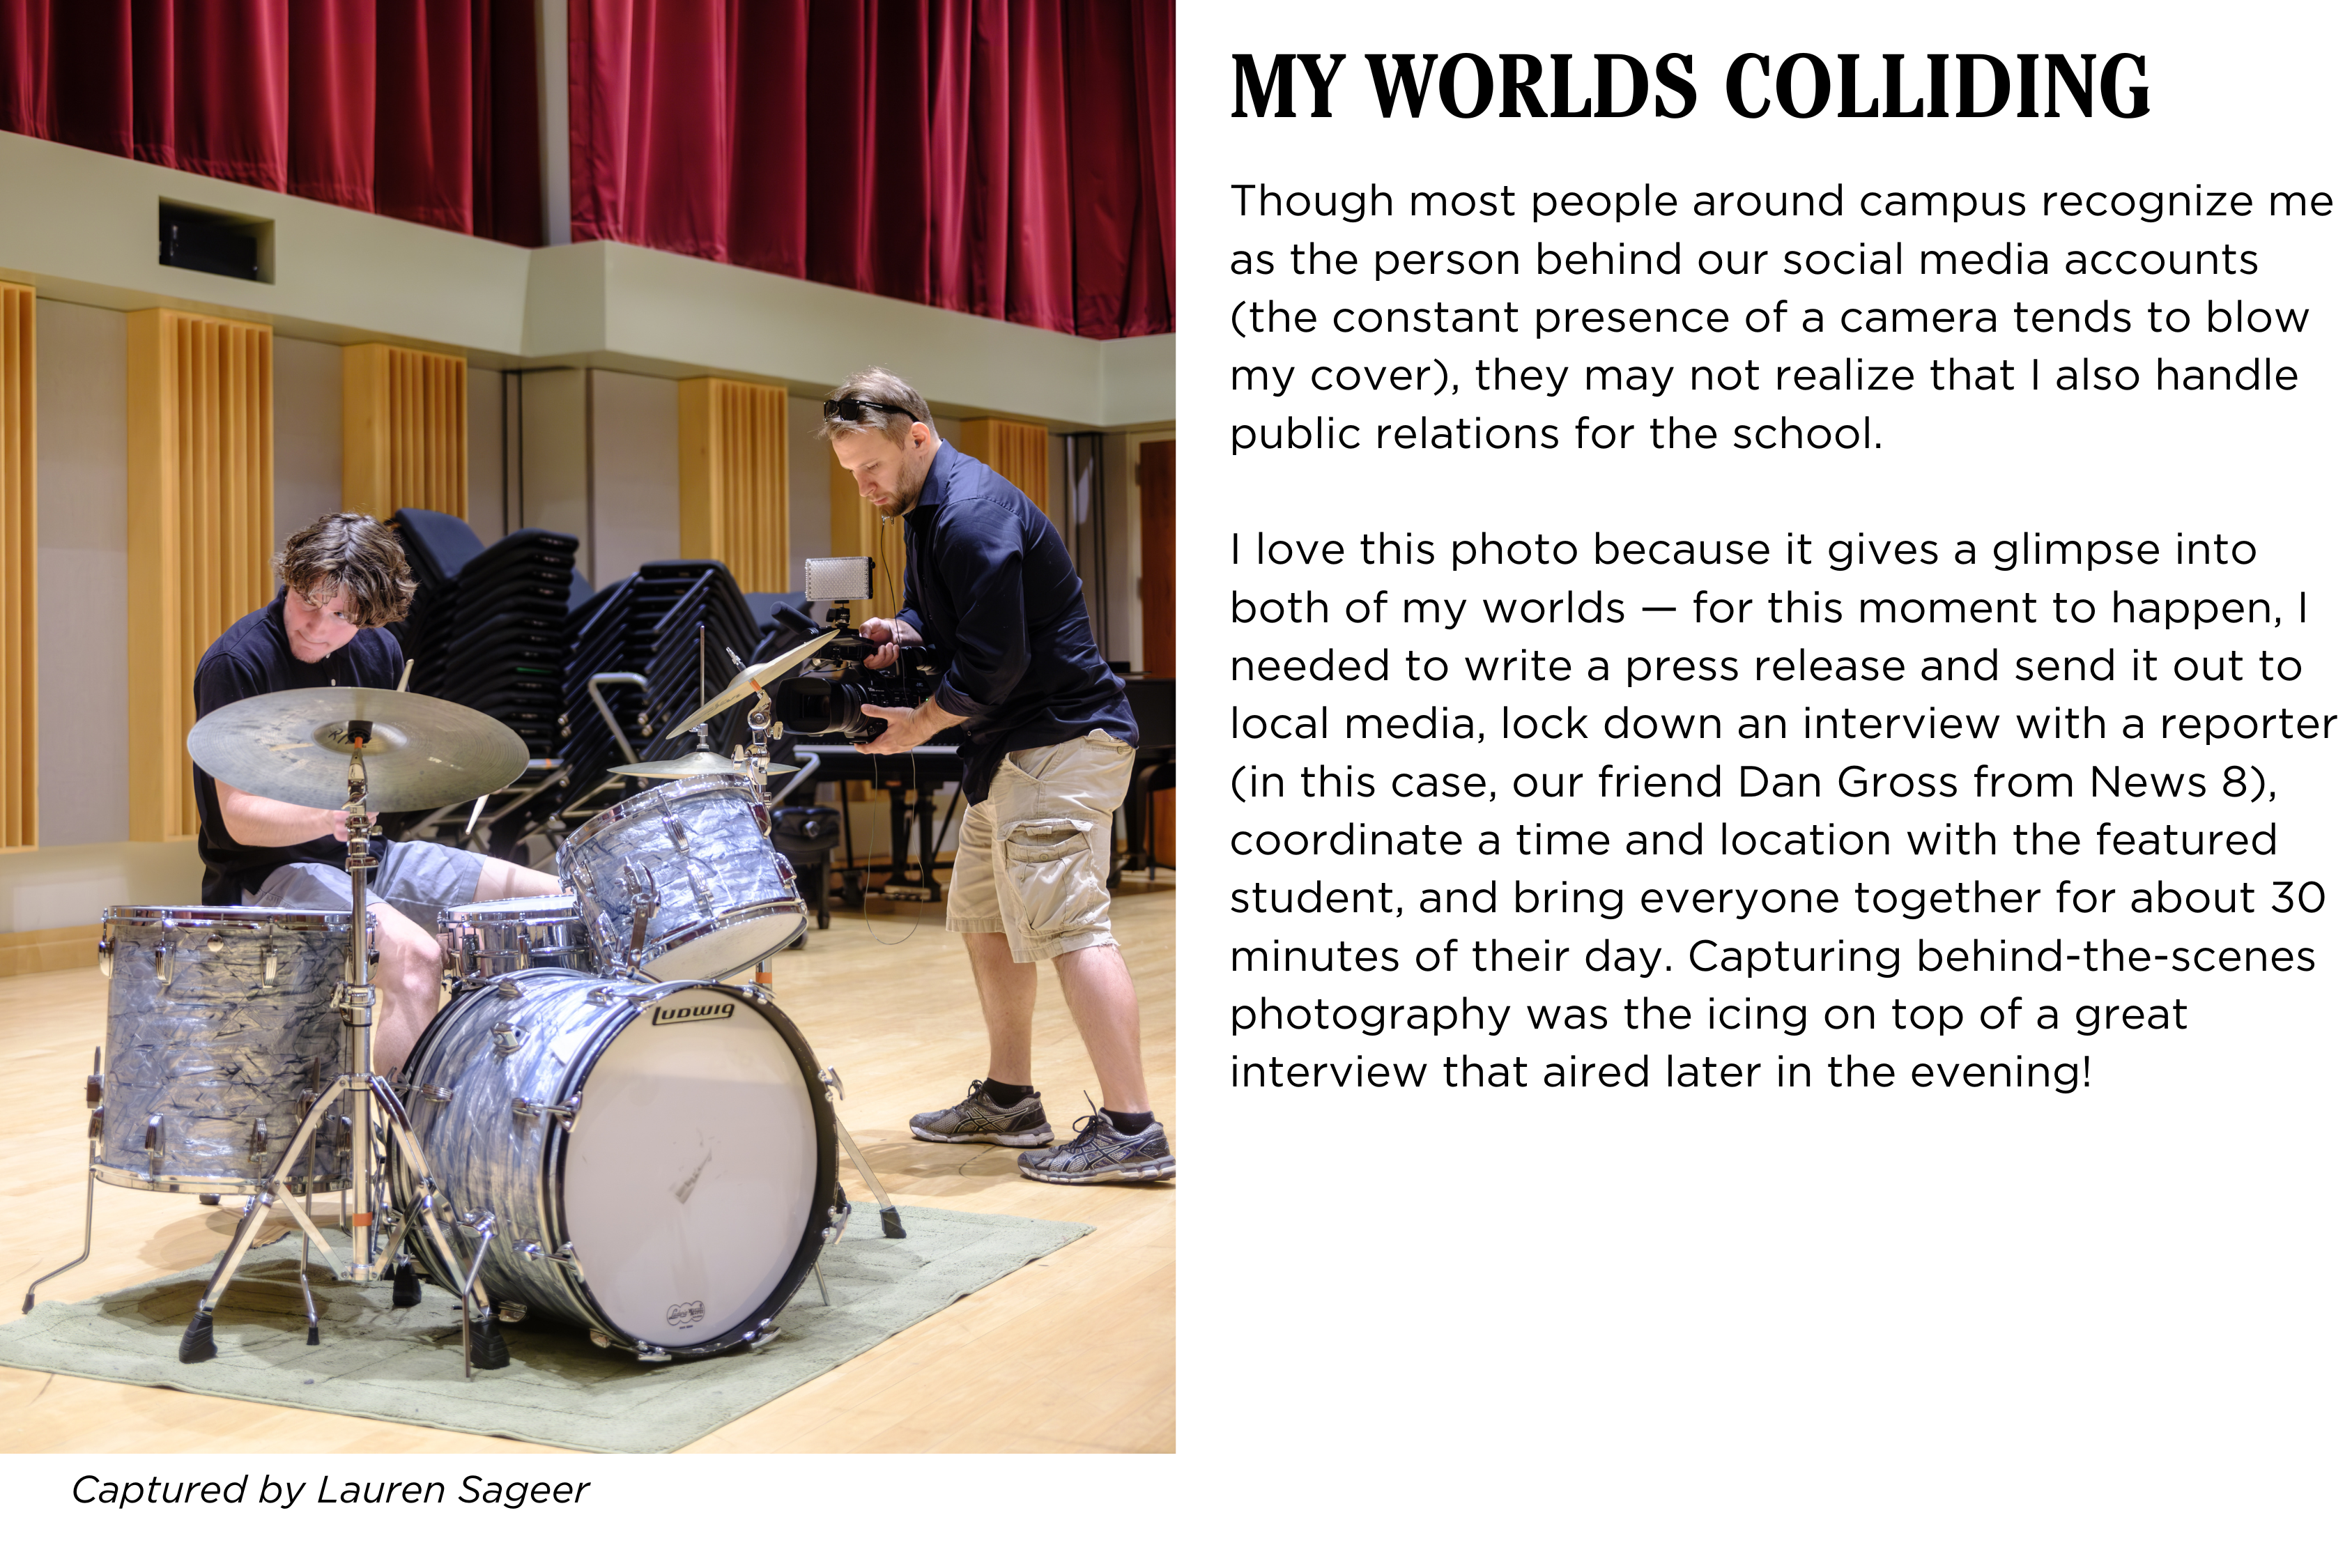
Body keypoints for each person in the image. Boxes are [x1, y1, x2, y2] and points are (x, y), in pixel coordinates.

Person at [823, 368, 1173, 1184]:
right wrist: (900, 633)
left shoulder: (973, 514)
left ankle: (1132, 1130)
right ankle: (1011, 1097)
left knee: (1072, 928)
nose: (864, 486)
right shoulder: (925, 507)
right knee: (985, 919)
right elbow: (942, 622)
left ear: (917, 435)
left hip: (1055, 744)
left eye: (870, 467)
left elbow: (995, 661)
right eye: (849, 474)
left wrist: (916, 726)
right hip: (1006, 750)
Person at [191, 512, 561, 1077]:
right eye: (306, 601)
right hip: (267, 874)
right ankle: (391, 1153)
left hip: (369, 857)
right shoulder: (239, 662)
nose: (316, 626)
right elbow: (239, 819)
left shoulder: (378, 652)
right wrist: (327, 817)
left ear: (370, 616)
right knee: (416, 958)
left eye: (341, 615)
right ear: (289, 580)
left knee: (555, 905)